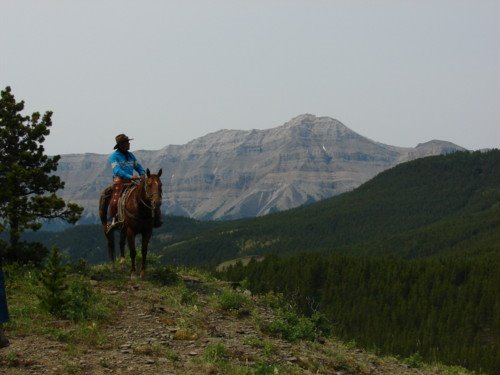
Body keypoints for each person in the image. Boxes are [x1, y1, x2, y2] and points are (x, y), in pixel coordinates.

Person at [106, 134, 146, 233]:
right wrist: (130, 176)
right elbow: (117, 170)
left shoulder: (130, 155)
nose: (128, 144)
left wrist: (142, 173)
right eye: (126, 142)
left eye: (128, 142)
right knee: (115, 199)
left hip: (132, 181)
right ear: (121, 145)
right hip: (120, 181)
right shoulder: (114, 156)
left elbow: (138, 166)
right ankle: (112, 220)